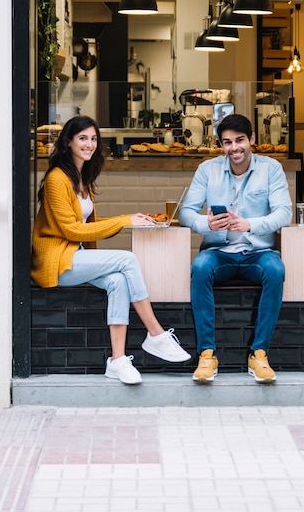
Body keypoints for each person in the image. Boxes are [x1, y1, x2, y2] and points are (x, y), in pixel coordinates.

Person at [31, 115, 190, 385]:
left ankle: (117, 361)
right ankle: (155, 333)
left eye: (93, 139)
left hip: (76, 257)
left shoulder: (80, 177)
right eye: (83, 138)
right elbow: (71, 230)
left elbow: (87, 224)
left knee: (118, 281)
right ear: (68, 142)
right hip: (56, 261)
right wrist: (123, 221)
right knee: (127, 260)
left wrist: (131, 217)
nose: (89, 144)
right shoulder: (57, 179)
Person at [178, 114, 292, 383]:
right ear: (221, 145)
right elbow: (185, 213)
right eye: (227, 142)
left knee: (276, 270)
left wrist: (248, 224)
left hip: (258, 253)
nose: (234, 148)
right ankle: (207, 353)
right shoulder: (208, 169)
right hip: (218, 253)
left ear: (252, 139)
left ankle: (259, 352)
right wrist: (206, 224)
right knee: (200, 267)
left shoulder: (271, 168)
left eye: (240, 140)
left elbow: (284, 213)